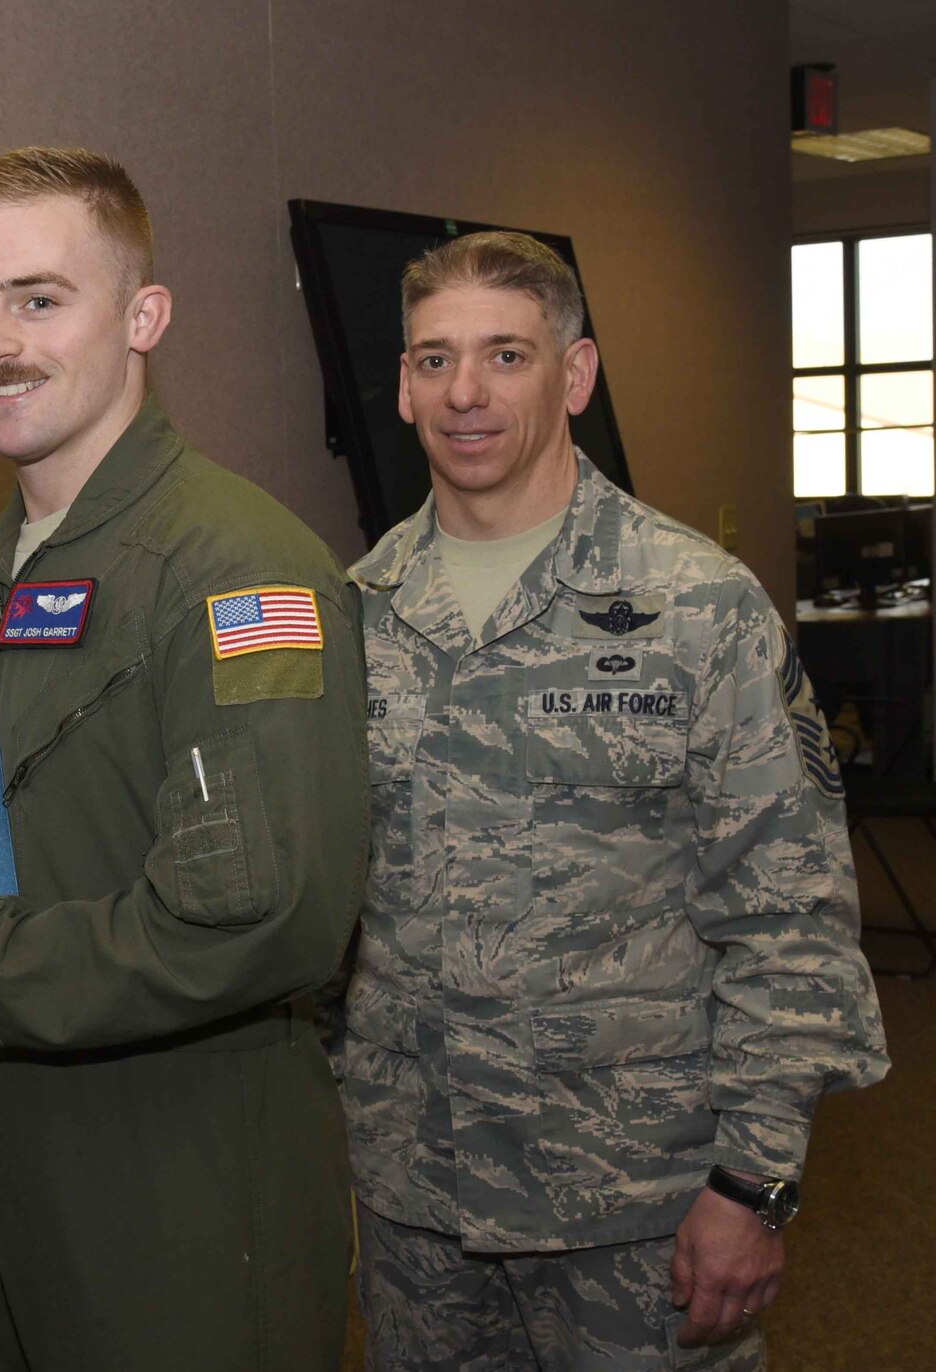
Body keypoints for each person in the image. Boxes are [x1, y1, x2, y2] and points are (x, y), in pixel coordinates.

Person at [0, 147, 367, 1371]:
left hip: (184, 1186)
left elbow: (258, 925)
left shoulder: (237, 571)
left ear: (142, 316)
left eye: (38, 299)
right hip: (10, 1175)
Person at [338, 229, 889, 1370]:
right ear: (399, 387)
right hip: (418, 1208)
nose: (465, 393)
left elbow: (788, 922)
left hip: (638, 1206)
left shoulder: (696, 606)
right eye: (433, 361)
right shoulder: (352, 614)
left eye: (505, 355)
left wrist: (754, 1186)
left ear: (574, 375)